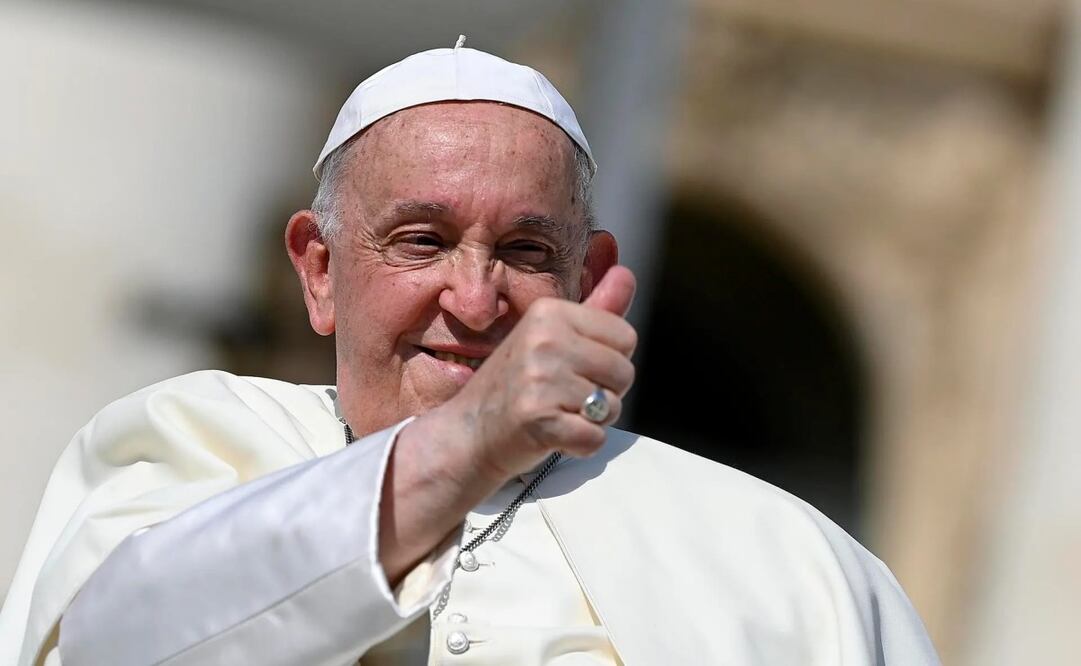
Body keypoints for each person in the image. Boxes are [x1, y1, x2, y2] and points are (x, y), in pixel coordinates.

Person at [0, 39, 940, 665]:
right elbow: (116, 646)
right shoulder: (188, 444)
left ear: (587, 275)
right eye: (420, 241)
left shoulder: (789, 559)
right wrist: (470, 442)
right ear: (319, 270)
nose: (476, 298)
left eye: (527, 252)